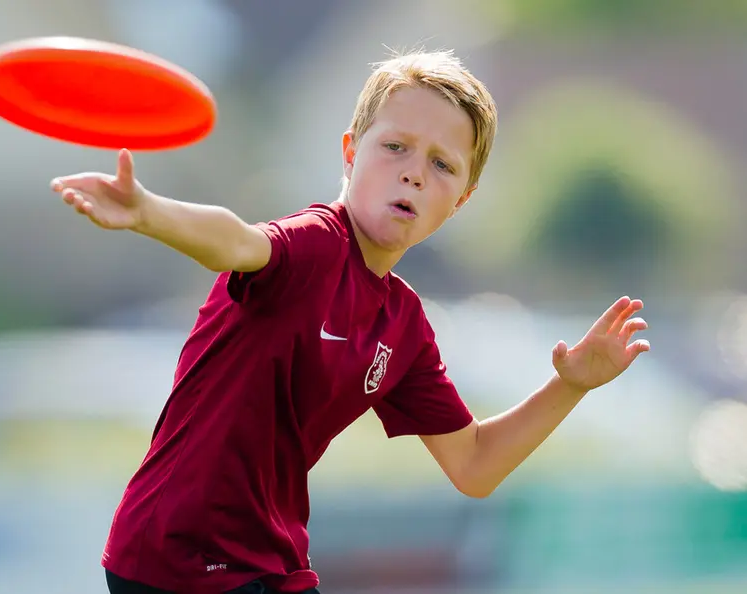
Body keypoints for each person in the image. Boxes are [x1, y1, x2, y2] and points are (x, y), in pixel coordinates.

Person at [49, 49, 650, 594]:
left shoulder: (404, 325)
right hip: (175, 556)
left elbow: (474, 465)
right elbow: (233, 241)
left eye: (442, 164)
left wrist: (570, 384)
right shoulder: (313, 246)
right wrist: (148, 212)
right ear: (349, 152)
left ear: (461, 199)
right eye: (395, 147)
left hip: (269, 558)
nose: (414, 171)